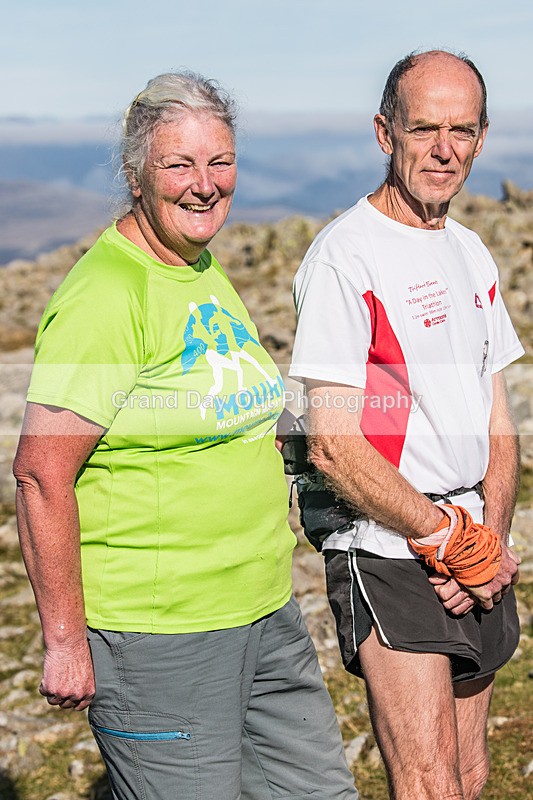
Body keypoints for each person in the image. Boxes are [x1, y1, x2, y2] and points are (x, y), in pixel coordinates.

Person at [13, 72, 359, 800]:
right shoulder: (108, 295)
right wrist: (68, 643)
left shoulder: (198, 269)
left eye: (219, 162)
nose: (203, 185)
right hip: (158, 635)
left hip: (263, 610)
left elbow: (235, 411)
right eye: (178, 165)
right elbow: (42, 474)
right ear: (135, 175)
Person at [288, 50, 523, 800]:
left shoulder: (468, 249)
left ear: (482, 137)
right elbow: (331, 442)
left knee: (470, 773)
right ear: (384, 130)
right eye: (423, 128)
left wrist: (488, 542)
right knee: (427, 784)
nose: (443, 149)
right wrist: (444, 539)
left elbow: (497, 418)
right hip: (388, 549)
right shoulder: (343, 258)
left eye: (460, 129)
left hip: (470, 544)